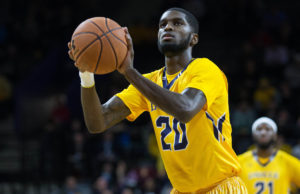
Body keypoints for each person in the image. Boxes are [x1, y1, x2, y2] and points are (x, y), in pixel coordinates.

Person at [68, 7, 247, 193]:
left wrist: (129, 72)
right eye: (163, 25)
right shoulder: (149, 82)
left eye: (177, 23)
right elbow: (98, 122)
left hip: (220, 187)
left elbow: (185, 109)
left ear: (194, 38)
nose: (168, 27)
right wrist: (86, 73)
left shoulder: (205, 69)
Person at [238, 117, 300, 194]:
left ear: (275, 135)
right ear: (253, 135)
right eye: (259, 129)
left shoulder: (287, 161)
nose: (263, 133)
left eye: (268, 129)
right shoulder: (239, 162)